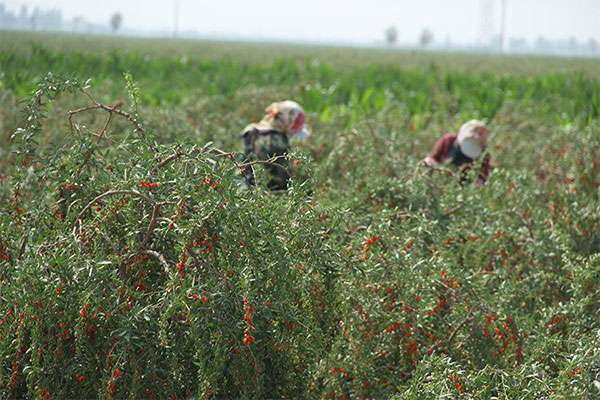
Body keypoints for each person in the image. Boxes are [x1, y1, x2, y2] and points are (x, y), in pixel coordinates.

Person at [240, 100, 311, 191]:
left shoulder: (249, 130)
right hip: (261, 194)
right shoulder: (277, 140)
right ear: (286, 122)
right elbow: (283, 178)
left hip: (239, 190)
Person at [422, 119, 491, 186]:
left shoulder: (484, 155)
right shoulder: (448, 140)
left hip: (462, 186)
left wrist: (476, 184)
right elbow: (432, 158)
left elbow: (483, 178)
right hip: (439, 174)